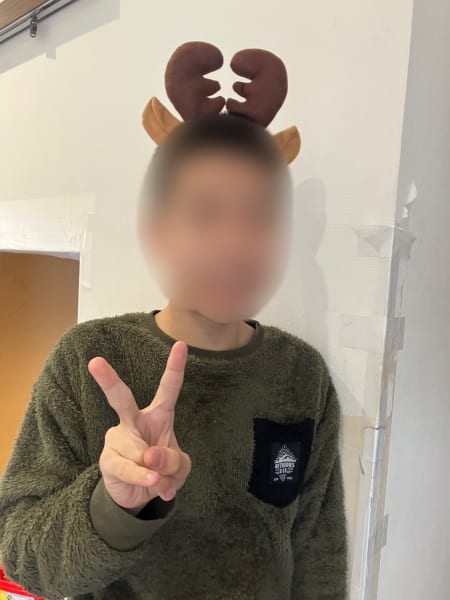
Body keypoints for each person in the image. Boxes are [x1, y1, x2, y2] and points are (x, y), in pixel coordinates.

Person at [0, 50, 348, 600]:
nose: (235, 243)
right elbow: (20, 553)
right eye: (206, 213)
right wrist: (114, 502)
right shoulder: (90, 360)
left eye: (259, 214)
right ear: (160, 229)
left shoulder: (301, 374)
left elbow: (320, 554)